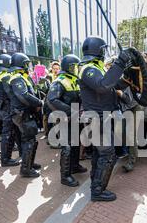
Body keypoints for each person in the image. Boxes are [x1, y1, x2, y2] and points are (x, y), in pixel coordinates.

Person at [79, 36, 135, 202]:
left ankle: (95, 182)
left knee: (100, 153)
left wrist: (125, 67)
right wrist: (119, 62)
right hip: (97, 119)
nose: (105, 52)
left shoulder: (97, 68)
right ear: (98, 50)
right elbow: (103, 86)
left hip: (102, 119)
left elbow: (112, 84)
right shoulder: (88, 69)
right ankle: (97, 190)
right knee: (108, 154)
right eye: (103, 49)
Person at [47, 54, 87, 187]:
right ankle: (65, 176)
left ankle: (74, 166)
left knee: (75, 144)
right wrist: (71, 111)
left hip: (74, 118)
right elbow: (52, 99)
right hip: (64, 118)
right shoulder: (60, 81)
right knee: (67, 147)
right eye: (76, 66)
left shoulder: (73, 80)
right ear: (70, 67)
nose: (77, 69)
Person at [8, 53, 43, 178]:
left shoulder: (21, 77)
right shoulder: (17, 78)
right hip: (21, 113)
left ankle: (29, 164)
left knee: (31, 140)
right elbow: (23, 95)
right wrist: (39, 102)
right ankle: (25, 169)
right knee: (29, 141)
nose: (28, 66)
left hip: (24, 113)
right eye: (26, 63)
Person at [0, 54, 21, 167]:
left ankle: (19, 154)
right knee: (8, 134)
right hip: (8, 108)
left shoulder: (0, 75)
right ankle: (5, 159)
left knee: (14, 132)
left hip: (4, 107)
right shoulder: (6, 76)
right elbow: (11, 94)